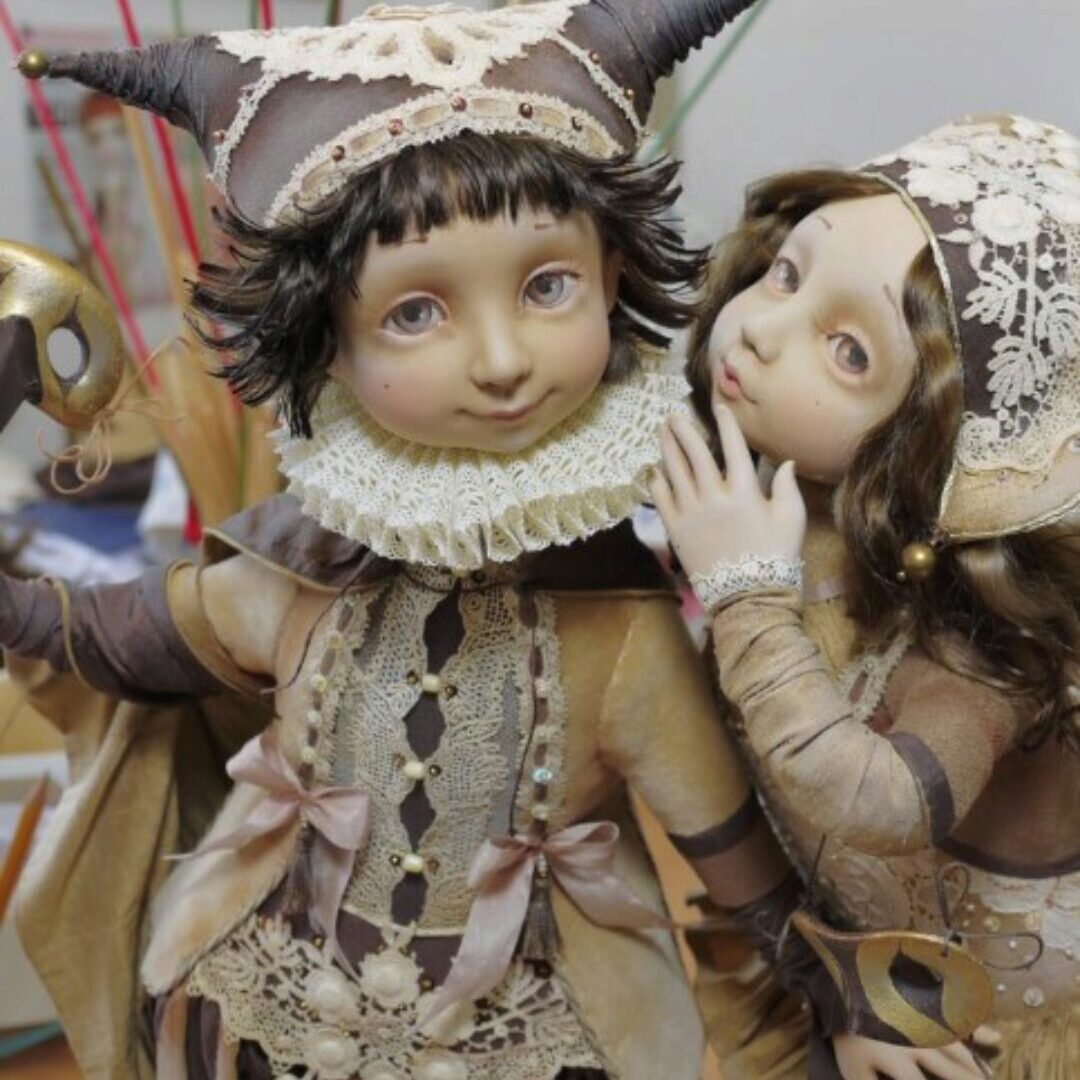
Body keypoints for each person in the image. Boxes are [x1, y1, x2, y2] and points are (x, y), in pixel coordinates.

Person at [0, 4, 833, 1078]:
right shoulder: (298, 568)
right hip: (271, 1003)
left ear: (614, 273)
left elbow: (732, 853)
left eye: (547, 286)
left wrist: (831, 996)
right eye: (415, 313)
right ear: (323, 338)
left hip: (516, 1030)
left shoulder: (620, 623)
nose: (501, 359)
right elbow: (119, 634)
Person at [654, 113, 1079, 1079]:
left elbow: (883, 805)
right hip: (869, 981)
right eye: (786, 274)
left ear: (944, 434)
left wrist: (746, 595)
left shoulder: (985, 642)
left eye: (849, 351)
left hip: (1005, 1031)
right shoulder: (782, 509)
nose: (761, 332)